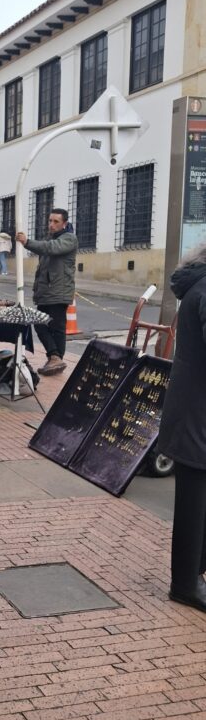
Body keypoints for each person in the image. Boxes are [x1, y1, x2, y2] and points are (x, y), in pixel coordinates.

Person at [157, 241, 206, 613]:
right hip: (196, 412)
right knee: (193, 498)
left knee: (198, 496)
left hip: (194, 407)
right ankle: (185, 583)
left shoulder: (198, 284)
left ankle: (194, 573)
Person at [15, 209, 77, 375]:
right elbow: (41, 270)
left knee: (56, 327)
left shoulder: (69, 239)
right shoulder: (49, 239)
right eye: (50, 220)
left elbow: (51, 248)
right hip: (46, 293)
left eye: (56, 221)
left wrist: (27, 242)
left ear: (64, 223)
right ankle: (55, 358)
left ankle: (55, 358)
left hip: (58, 293)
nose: (52, 224)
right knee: (40, 324)